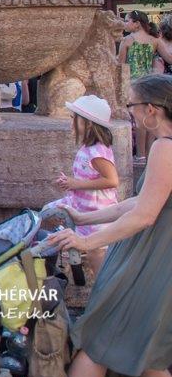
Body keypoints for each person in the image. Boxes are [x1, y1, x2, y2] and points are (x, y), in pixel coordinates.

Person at [38, 74, 172, 377]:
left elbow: (144, 214)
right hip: (160, 257)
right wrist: (84, 220)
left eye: (130, 106)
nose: (129, 115)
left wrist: (86, 240)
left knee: (99, 340)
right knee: (153, 362)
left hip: (152, 260)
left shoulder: (165, 145)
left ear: (152, 109)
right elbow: (138, 202)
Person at [47, 95, 120, 279]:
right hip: (82, 204)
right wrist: (70, 182)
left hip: (97, 212)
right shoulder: (88, 148)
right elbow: (87, 174)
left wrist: (76, 184)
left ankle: (102, 290)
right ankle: (70, 262)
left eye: (75, 118)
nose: (72, 122)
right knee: (47, 212)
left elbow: (112, 180)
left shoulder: (97, 152)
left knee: (97, 256)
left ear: (88, 124)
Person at [121, 10, 161, 158]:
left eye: (127, 20)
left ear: (137, 24)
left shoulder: (127, 40)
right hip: (150, 84)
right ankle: (150, 155)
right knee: (151, 118)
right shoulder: (154, 41)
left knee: (139, 120)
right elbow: (169, 57)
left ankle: (140, 155)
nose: (125, 24)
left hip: (134, 85)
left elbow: (120, 65)